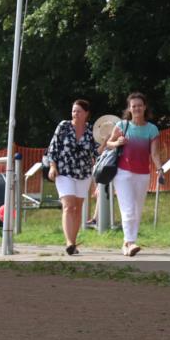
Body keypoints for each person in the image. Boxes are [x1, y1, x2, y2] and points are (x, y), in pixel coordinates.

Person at [105, 92, 164, 257]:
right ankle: (131, 243)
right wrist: (117, 142)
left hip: (143, 174)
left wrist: (160, 168)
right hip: (123, 173)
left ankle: (126, 243)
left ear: (145, 107)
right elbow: (108, 144)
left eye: (139, 105)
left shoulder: (152, 129)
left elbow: (155, 154)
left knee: (137, 210)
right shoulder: (122, 125)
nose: (137, 108)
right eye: (133, 106)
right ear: (129, 109)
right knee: (129, 209)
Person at [46, 99, 99, 255]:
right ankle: (69, 241)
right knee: (68, 206)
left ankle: (73, 243)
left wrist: (107, 140)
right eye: (73, 111)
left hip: (83, 173)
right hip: (64, 172)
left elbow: (96, 152)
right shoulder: (63, 126)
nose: (75, 114)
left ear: (86, 114)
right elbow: (53, 147)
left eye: (79, 111)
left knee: (77, 208)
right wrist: (52, 166)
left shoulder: (91, 130)